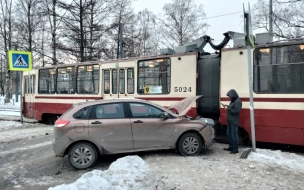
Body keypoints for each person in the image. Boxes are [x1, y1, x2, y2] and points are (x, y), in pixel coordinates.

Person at [223, 89, 242, 154]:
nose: (229, 97)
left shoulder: (238, 102)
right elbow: (232, 109)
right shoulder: (233, 101)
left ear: (233, 95)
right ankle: (231, 147)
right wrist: (228, 107)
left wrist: (228, 108)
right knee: (229, 134)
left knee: (234, 135)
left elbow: (236, 111)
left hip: (234, 121)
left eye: (230, 96)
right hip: (230, 121)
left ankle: (235, 149)